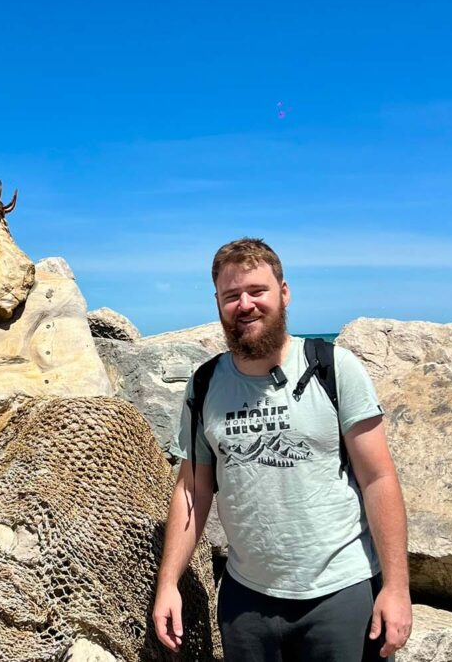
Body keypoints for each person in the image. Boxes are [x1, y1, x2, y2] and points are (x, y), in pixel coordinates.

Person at [153, 238, 412, 660]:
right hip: (245, 602)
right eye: (231, 295)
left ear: (284, 293)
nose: (245, 304)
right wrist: (168, 584)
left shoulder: (334, 367)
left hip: (340, 594)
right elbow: (192, 491)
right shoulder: (203, 387)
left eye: (257, 291)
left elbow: (379, 478)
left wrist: (397, 589)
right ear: (217, 302)